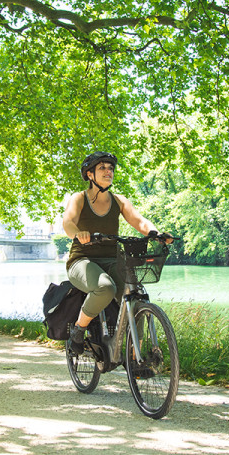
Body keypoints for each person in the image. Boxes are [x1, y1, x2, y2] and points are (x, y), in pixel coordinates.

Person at [62, 151, 172, 355]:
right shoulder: (79, 199)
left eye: (110, 168)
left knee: (135, 295)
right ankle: (78, 330)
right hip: (82, 260)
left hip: (113, 260)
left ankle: (134, 356)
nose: (108, 171)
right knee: (105, 287)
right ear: (90, 174)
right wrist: (79, 234)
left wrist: (156, 234)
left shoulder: (119, 201)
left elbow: (139, 221)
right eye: (102, 168)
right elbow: (68, 222)